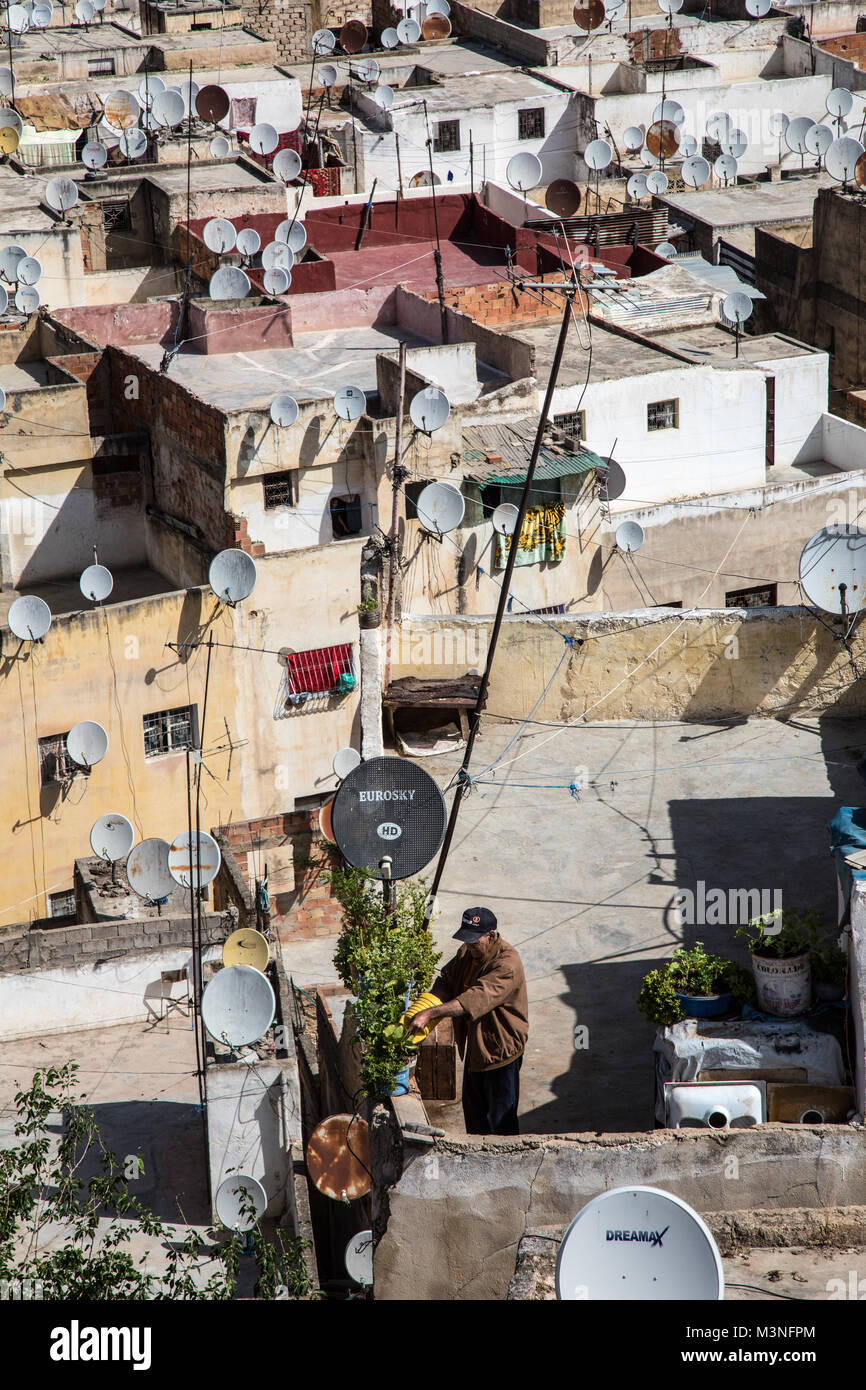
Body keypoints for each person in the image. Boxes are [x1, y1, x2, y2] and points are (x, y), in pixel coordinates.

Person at [408, 907, 528, 1136]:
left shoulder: (507, 964)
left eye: (474, 942)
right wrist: (423, 1005)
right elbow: (447, 980)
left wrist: (430, 1014)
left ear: (491, 935)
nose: (469, 947)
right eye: (467, 940)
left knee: (502, 1124)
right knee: (474, 1119)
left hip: (499, 1053)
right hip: (475, 1050)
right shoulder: (468, 952)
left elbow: (470, 1001)